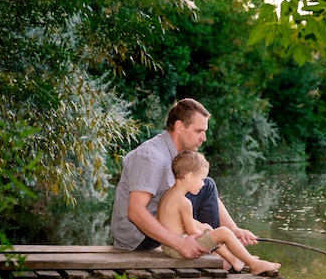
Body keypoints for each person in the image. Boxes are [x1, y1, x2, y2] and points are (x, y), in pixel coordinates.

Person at [110, 98, 257, 262]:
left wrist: (234, 230)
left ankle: (219, 248)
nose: (204, 138)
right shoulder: (151, 157)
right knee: (206, 186)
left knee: (205, 184)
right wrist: (180, 244)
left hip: (162, 223)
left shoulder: (180, 155)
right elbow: (135, 213)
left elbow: (206, 195)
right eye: (199, 131)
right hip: (137, 238)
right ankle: (216, 254)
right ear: (179, 127)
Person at [157, 150, 280, 276]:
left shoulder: (168, 194)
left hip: (168, 246)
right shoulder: (184, 202)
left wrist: (207, 229)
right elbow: (192, 232)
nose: (203, 184)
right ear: (189, 177)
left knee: (209, 229)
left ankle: (235, 260)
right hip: (179, 250)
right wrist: (211, 234)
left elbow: (175, 222)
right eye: (202, 179)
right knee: (224, 232)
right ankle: (254, 264)